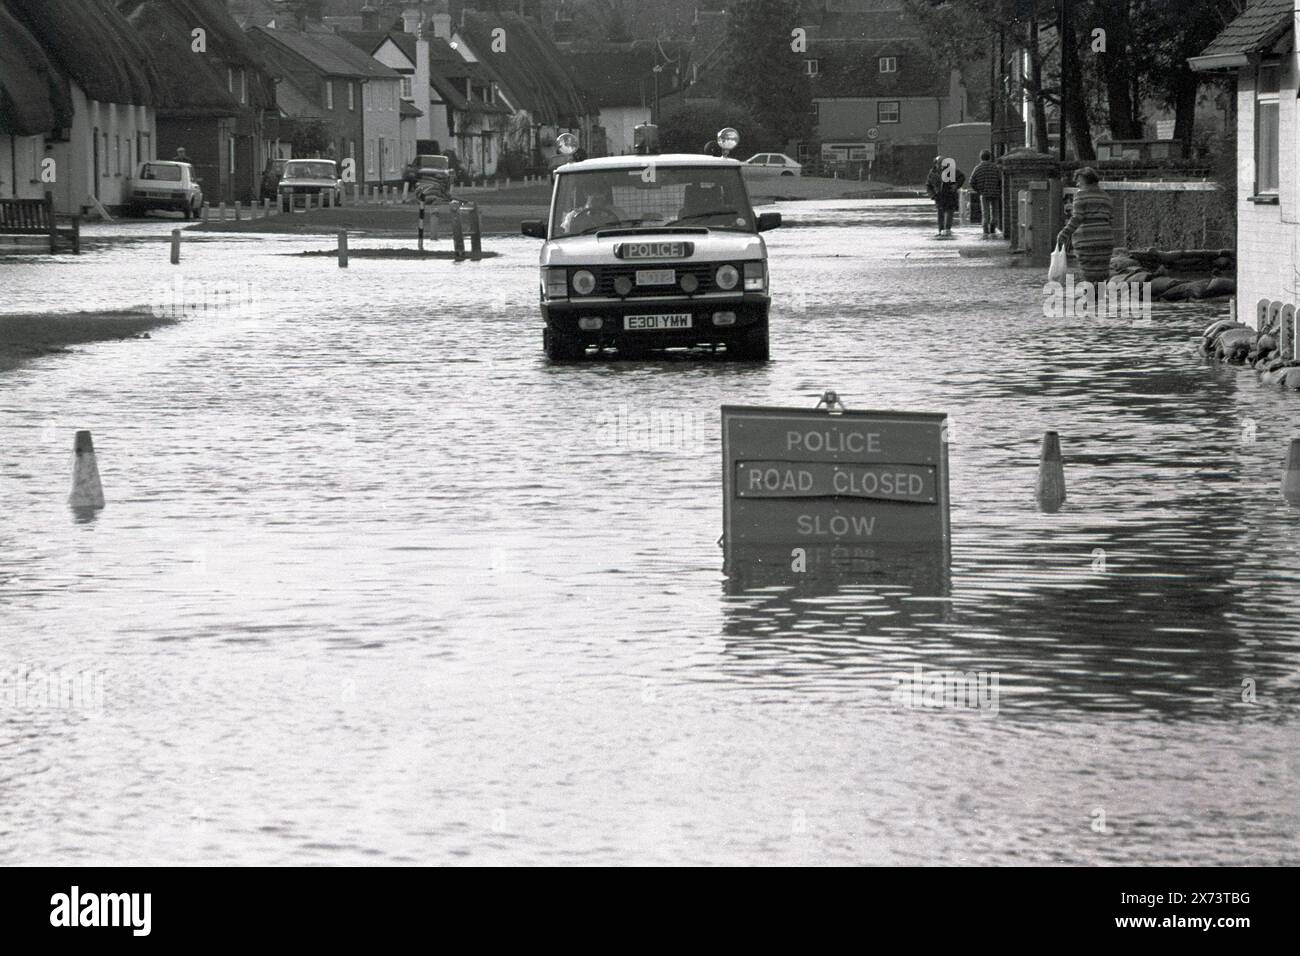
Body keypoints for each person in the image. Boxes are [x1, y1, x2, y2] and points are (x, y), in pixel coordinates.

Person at [1057, 167, 1114, 285]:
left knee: (1089, 276)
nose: (1077, 184)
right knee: (1102, 276)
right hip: (1105, 241)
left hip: (1087, 241)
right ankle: (1100, 301)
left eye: (1079, 181)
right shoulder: (1106, 196)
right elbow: (1110, 219)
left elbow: (1077, 218)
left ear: (1085, 179)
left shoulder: (1081, 195)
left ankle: (1091, 301)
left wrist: (1063, 234)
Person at [560, 183, 626, 234]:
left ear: (606, 193)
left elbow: (626, 232)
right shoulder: (572, 216)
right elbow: (566, 236)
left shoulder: (618, 213)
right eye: (592, 191)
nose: (596, 194)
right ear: (585, 193)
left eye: (601, 191)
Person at [925, 156, 964, 238]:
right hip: (939, 198)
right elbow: (928, 186)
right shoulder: (932, 173)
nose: (941, 165)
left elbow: (962, 177)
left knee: (948, 215)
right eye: (939, 164)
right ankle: (941, 232)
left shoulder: (951, 170)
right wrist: (932, 195)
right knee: (940, 217)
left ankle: (947, 231)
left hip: (950, 197)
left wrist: (956, 185)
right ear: (935, 164)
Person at [968, 149, 1002, 240]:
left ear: (981, 158)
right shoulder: (995, 168)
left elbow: (971, 181)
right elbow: (1000, 180)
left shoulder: (978, 168)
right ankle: (993, 230)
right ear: (990, 157)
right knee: (995, 212)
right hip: (995, 193)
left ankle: (985, 231)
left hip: (984, 193)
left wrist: (979, 190)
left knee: (985, 213)